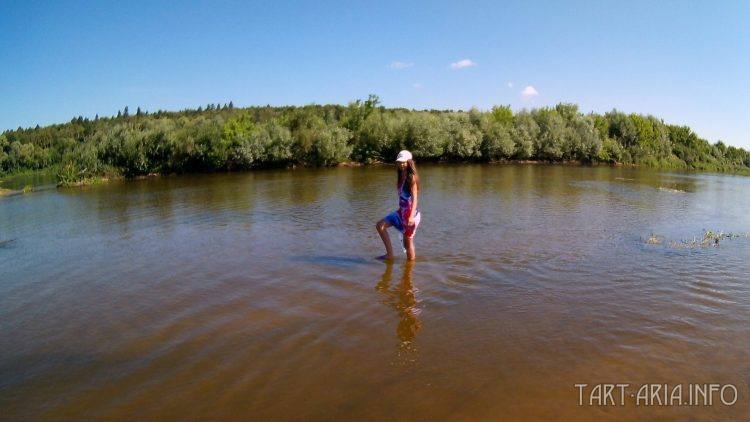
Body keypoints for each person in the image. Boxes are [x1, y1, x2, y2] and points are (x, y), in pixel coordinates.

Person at [376, 150, 421, 260]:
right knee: (380, 226)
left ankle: (410, 269)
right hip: (401, 212)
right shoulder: (401, 175)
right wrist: (400, 209)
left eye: (404, 162)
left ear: (409, 162)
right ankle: (390, 255)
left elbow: (415, 198)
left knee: (408, 243)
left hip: (411, 215)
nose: (401, 164)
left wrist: (410, 217)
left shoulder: (411, 177)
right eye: (399, 162)